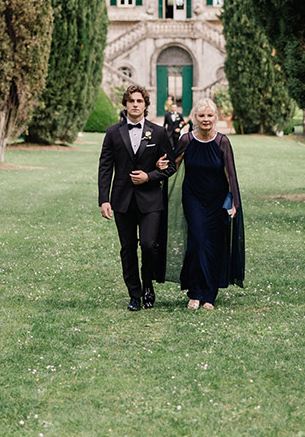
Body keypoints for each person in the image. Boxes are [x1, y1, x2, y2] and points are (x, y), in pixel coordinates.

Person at [98, 84, 176, 311]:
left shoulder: (158, 132)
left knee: (150, 245)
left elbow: (170, 166)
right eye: (131, 101)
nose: (135, 104)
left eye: (139, 101)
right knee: (128, 248)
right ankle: (134, 293)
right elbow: (105, 167)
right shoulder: (113, 132)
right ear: (125, 104)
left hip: (150, 199)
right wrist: (104, 199)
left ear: (145, 105)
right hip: (122, 200)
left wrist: (149, 176)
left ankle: (148, 285)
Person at [168, 97, 244, 310]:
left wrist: (235, 203)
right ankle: (195, 292)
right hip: (193, 199)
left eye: (210, 115)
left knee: (213, 246)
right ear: (194, 118)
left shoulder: (222, 142)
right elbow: (172, 166)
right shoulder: (186, 140)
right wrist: (157, 165)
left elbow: (230, 174)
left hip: (216, 201)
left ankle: (209, 295)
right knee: (198, 242)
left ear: (215, 118)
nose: (206, 119)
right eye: (201, 115)